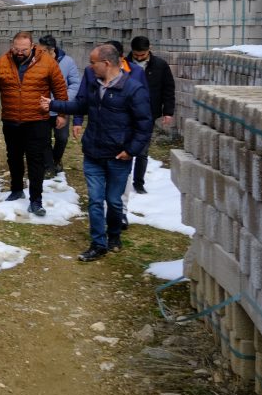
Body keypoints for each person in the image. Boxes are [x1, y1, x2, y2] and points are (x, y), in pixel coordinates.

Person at [42, 44, 152, 261]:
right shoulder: (94, 85)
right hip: (93, 153)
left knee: (114, 200)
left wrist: (131, 150)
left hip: (118, 156)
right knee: (95, 200)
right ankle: (98, 243)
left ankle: (114, 235)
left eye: (93, 63)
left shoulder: (133, 89)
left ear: (106, 63)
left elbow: (144, 125)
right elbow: (80, 106)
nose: (90, 67)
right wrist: (54, 105)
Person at [0, 31, 68, 216]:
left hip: (37, 120)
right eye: (17, 49)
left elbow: (60, 87)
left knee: (35, 160)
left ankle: (36, 200)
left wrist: (61, 113)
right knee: (14, 157)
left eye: (24, 50)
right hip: (11, 119)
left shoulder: (47, 62)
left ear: (32, 47)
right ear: (12, 46)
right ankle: (16, 189)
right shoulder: (2, 62)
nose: (20, 53)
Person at [126, 36, 175, 194]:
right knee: (125, 147)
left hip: (148, 113)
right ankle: (123, 180)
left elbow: (168, 89)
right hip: (126, 112)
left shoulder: (160, 65)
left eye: (142, 54)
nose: (139, 57)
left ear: (149, 50)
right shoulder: (124, 64)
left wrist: (168, 112)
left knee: (142, 149)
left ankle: (139, 183)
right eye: (136, 55)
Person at [37, 35, 81, 178]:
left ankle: (56, 160)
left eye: (42, 50)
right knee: (44, 139)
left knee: (62, 138)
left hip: (61, 107)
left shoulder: (67, 62)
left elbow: (75, 84)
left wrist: (63, 101)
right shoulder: (36, 61)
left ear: (51, 50)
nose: (39, 52)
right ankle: (48, 166)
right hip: (42, 108)